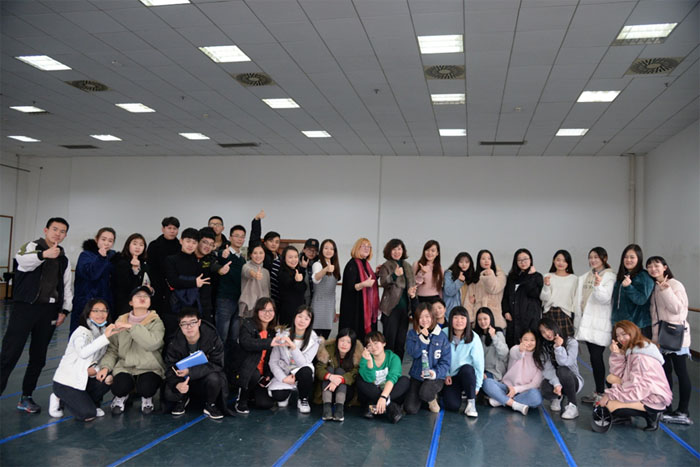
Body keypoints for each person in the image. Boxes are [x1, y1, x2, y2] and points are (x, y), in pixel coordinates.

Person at [1, 217, 73, 413]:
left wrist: (64, 310)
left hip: (48, 312)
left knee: (38, 357)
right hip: (25, 308)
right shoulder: (31, 247)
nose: (58, 234)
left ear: (65, 235)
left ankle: (26, 397)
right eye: (55, 229)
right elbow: (22, 262)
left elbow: (66, 286)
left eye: (62, 231)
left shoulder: (64, 259)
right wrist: (43, 255)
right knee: (9, 354)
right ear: (46, 230)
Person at [594, 320, 672, 432]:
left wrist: (609, 396)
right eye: (618, 336)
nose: (620, 338)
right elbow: (620, 374)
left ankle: (652, 414)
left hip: (653, 398)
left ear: (632, 332)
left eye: (624, 334)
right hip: (643, 390)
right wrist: (617, 354)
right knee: (611, 379)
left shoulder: (640, 357)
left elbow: (638, 388)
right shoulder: (633, 349)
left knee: (610, 406)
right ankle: (626, 415)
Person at [98, 286, 165, 415]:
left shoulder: (156, 322)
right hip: (125, 367)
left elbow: (153, 344)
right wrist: (105, 367)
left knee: (147, 387)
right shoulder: (120, 321)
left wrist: (131, 327)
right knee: (119, 387)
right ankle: (122, 396)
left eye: (146, 296)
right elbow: (113, 349)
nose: (142, 298)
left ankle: (147, 398)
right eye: (138, 296)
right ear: (130, 302)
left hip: (150, 367)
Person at [49, 299, 120, 421]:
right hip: (68, 381)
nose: (100, 314)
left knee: (108, 378)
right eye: (96, 311)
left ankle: (91, 403)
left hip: (85, 378)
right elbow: (83, 353)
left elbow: (101, 358)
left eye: (104, 311)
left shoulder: (103, 331)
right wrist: (105, 337)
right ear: (88, 313)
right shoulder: (81, 333)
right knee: (88, 414)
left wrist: (99, 369)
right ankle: (59, 396)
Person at [646, 256, 692, 425]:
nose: (653, 269)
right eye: (649, 266)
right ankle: (667, 406)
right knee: (665, 373)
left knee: (681, 372)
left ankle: (683, 411)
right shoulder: (654, 287)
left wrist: (666, 291)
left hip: (676, 336)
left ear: (665, 267)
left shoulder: (675, 285)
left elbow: (679, 310)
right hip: (661, 337)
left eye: (656, 265)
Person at [164, 308, 230, 420]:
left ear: (199, 322)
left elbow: (217, 364)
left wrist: (190, 371)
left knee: (215, 378)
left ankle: (210, 405)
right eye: (184, 324)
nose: (189, 327)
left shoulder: (212, 337)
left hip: (204, 379)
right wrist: (177, 384)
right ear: (180, 326)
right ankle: (183, 399)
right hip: (184, 380)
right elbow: (169, 367)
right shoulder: (174, 342)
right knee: (169, 392)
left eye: (193, 322)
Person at [574, 247, 615, 404]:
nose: (593, 260)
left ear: (604, 258)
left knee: (597, 358)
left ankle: (602, 393)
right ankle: (599, 392)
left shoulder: (610, 277)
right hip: (586, 323)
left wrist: (598, 286)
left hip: (599, 323)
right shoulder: (585, 277)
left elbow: (605, 299)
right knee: (593, 358)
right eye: (590, 257)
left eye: (596, 257)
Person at [268, 305, 320, 413]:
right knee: (279, 398)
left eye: (306, 318)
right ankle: (287, 390)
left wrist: (292, 346)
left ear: (310, 322)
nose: (302, 321)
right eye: (299, 316)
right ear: (294, 317)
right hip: (285, 372)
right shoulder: (282, 335)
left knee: (306, 371)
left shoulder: (314, 340)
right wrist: (283, 378)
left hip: (300, 372)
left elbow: (303, 363)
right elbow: (273, 362)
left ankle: (303, 398)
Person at [481, 329, 543, 416]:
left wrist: (516, 389)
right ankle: (514, 404)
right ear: (520, 340)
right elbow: (518, 354)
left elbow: (535, 384)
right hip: (507, 388)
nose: (529, 343)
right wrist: (521, 350)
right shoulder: (515, 349)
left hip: (525, 392)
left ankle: (501, 401)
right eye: (525, 339)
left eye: (532, 340)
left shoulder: (540, 357)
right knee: (487, 383)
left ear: (536, 341)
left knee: (537, 397)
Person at [235, 298, 280, 413]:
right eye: (263, 310)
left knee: (266, 404)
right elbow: (247, 343)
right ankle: (241, 400)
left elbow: (273, 356)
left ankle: (251, 393)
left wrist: (268, 374)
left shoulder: (273, 331)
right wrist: (269, 342)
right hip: (246, 370)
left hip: (262, 374)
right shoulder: (248, 324)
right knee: (253, 374)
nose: (267, 313)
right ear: (257, 311)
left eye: (270, 310)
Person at [404, 303, 451, 414]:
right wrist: (422, 339)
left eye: (427, 316)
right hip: (417, 376)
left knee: (425, 393)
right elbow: (413, 354)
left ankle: (430, 398)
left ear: (433, 317)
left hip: (435, 377)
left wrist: (434, 373)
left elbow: (445, 362)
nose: (424, 320)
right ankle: (424, 397)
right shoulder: (412, 334)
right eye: (420, 317)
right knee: (410, 408)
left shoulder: (442, 336)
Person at [70, 227, 116, 333]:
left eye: (110, 241)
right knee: (81, 334)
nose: (106, 243)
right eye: (103, 239)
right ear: (96, 239)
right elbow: (92, 274)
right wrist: (101, 257)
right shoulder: (86, 255)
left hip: (104, 304)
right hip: (85, 304)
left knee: (101, 336)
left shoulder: (112, 258)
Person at [377, 238, 417, 362]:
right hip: (390, 309)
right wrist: (395, 275)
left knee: (400, 342)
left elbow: (412, 284)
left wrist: (412, 292)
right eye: (394, 249)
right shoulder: (386, 265)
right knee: (389, 341)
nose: (397, 252)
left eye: (399, 249)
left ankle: (397, 367)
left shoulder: (408, 266)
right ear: (389, 251)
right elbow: (383, 282)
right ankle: (386, 367)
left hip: (405, 310)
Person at [357, 331, 410, 423]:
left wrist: (383, 397)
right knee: (360, 379)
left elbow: (392, 378)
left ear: (384, 343)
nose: (373, 347)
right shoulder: (365, 358)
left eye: (376, 343)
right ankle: (390, 407)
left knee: (405, 380)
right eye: (369, 345)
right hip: (372, 392)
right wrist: (369, 361)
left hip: (388, 392)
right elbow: (369, 379)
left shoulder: (393, 358)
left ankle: (373, 407)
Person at [535, 318, 583, 419]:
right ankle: (558, 396)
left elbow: (566, 363)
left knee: (562, 370)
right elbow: (547, 369)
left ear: (554, 327)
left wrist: (558, 347)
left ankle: (573, 406)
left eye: (548, 329)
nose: (547, 334)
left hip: (572, 381)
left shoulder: (571, 342)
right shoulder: (544, 346)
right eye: (543, 332)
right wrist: (556, 384)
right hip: (557, 380)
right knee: (544, 389)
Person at [314, 328, 364, 422]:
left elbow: (355, 373)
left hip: (347, 394)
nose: (344, 344)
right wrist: (330, 377)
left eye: (348, 342)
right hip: (327, 391)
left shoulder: (357, 355)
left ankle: (339, 408)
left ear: (352, 344)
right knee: (329, 369)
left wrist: (339, 380)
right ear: (337, 340)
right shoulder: (328, 349)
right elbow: (319, 368)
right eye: (342, 340)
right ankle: (327, 408)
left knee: (340, 371)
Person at [442, 307, 484, 417]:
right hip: (451, 377)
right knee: (452, 406)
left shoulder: (474, 337)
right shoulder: (443, 333)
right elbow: (438, 356)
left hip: (466, 374)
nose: (459, 321)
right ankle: (460, 392)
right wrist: (445, 374)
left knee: (467, 369)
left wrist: (477, 387)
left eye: (462, 318)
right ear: (450, 319)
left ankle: (471, 403)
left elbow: (479, 364)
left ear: (467, 320)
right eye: (455, 318)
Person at [339, 238, 379, 343]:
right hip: (355, 310)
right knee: (356, 340)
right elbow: (350, 287)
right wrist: (364, 284)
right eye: (363, 246)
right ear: (357, 248)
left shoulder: (366, 264)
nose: (367, 248)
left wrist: (376, 275)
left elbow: (369, 281)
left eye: (369, 246)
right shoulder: (352, 264)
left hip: (365, 309)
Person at [502, 248, 543, 347]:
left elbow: (533, 293)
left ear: (530, 260)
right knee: (513, 346)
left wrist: (531, 276)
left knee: (529, 346)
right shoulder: (511, 277)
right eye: (519, 260)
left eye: (525, 259)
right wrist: (506, 311)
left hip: (529, 317)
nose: (523, 262)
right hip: (513, 318)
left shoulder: (537, 276)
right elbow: (506, 296)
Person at [611, 244, 654, 338]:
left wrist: (629, 287)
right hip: (620, 326)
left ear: (639, 259)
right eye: (626, 257)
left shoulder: (644, 276)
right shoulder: (622, 276)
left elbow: (642, 300)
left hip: (637, 327)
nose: (628, 260)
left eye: (632, 257)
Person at [215, 223, 248, 347]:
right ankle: (218, 360)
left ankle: (231, 360)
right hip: (225, 300)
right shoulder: (225, 253)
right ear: (230, 237)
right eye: (236, 236)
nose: (240, 239)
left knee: (234, 337)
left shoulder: (242, 259)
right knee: (221, 336)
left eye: (242, 236)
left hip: (238, 300)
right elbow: (220, 259)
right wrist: (222, 254)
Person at [111, 233, 150, 321]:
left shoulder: (144, 264)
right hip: (123, 304)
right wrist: (135, 271)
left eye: (141, 245)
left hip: (140, 304)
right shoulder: (121, 262)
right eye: (135, 244)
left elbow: (146, 282)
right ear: (128, 245)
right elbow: (124, 286)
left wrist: (150, 289)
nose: (138, 247)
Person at [146, 216, 181, 316]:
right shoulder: (154, 245)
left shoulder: (180, 246)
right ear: (163, 229)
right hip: (157, 284)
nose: (172, 231)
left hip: (175, 285)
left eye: (175, 228)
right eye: (169, 228)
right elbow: (150, 267)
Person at [465, 250, 506, 328]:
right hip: (479, 317)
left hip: (495, 316)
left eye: (489, 258)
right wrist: (470, 319)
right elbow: (468, 302)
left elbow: (494, 288)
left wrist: (489, 275)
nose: (486, 261)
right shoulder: (475, 278)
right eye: (483, 259)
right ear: (479, 261)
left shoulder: (499, 275)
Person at [540, 250, 577, 337]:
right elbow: (544, 298)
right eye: (558, 260)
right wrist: (547, 285)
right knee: (548, 339)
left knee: (566, 340)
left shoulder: (574, 279)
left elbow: (575, 299)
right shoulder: (547, 276)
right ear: (554, 260)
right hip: (549, 312)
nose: (561, 263)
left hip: (565, 313)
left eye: (564, 261)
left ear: (568, 263)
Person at [311, 239, 340, 339]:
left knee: (326, 336)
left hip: (329, 306)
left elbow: (333, 291)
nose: (329, 251)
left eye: (331, 249)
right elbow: (315, 279)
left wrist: (334, 310)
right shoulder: (317, 264)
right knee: (315, 336)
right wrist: (325, 269)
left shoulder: (335, 266)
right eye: (326, 248)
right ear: (321, 250)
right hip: (318, 305)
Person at [473, 307, 508, 382]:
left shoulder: (498, 332)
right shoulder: (476, 335)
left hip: (494, 372)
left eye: (485, 319)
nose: (482, 322)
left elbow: (504, 354)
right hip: (480, 370)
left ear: (490, 318)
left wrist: (493, 336)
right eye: (479, 319)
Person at [276, 246, 307, 326]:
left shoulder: (296, 270)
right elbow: (296, 289)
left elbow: (303, 288)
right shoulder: (282, 273)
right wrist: (296, 281)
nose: (294, 260)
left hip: (299, 311)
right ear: (284, 258)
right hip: (288, 313)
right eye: (290, 257)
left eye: (296, 257)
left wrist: (303, 269)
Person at [239, 244, 271, 319]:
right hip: (249, 308)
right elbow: (248, 271)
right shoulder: (246, 266)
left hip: (263, 308)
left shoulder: (266, 272)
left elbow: (268, 291)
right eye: (255, 253)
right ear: (251, 255)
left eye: (261, 253)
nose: (258, 256)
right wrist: (255, 274)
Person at [443, 252, 476, 317]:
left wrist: (474, 297)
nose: (464, 264)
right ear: (457, 262)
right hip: (452, 311)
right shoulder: (449, 274)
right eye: (461, 262)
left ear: (470, 263)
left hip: (467, 312)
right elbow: (448, 292)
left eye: (467, 262)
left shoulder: (472, 276)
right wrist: (459, 281)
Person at [413, 240, 444, 304]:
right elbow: (413, 284)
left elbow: (440, 288)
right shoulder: (417, 264)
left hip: (435, 299)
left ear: (437, 253)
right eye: (427, 250)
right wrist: (421, 273)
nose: (429, 253)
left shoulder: (440, 268)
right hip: (420, 299)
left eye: (433, 251)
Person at [299, 238, 319, 304]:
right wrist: (302, 268)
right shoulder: (296, 261)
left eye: (315, 250)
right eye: (309, 250)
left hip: (315, 298)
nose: (312, 253)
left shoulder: (318, 263)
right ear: (304, 249)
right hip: (302, 298)